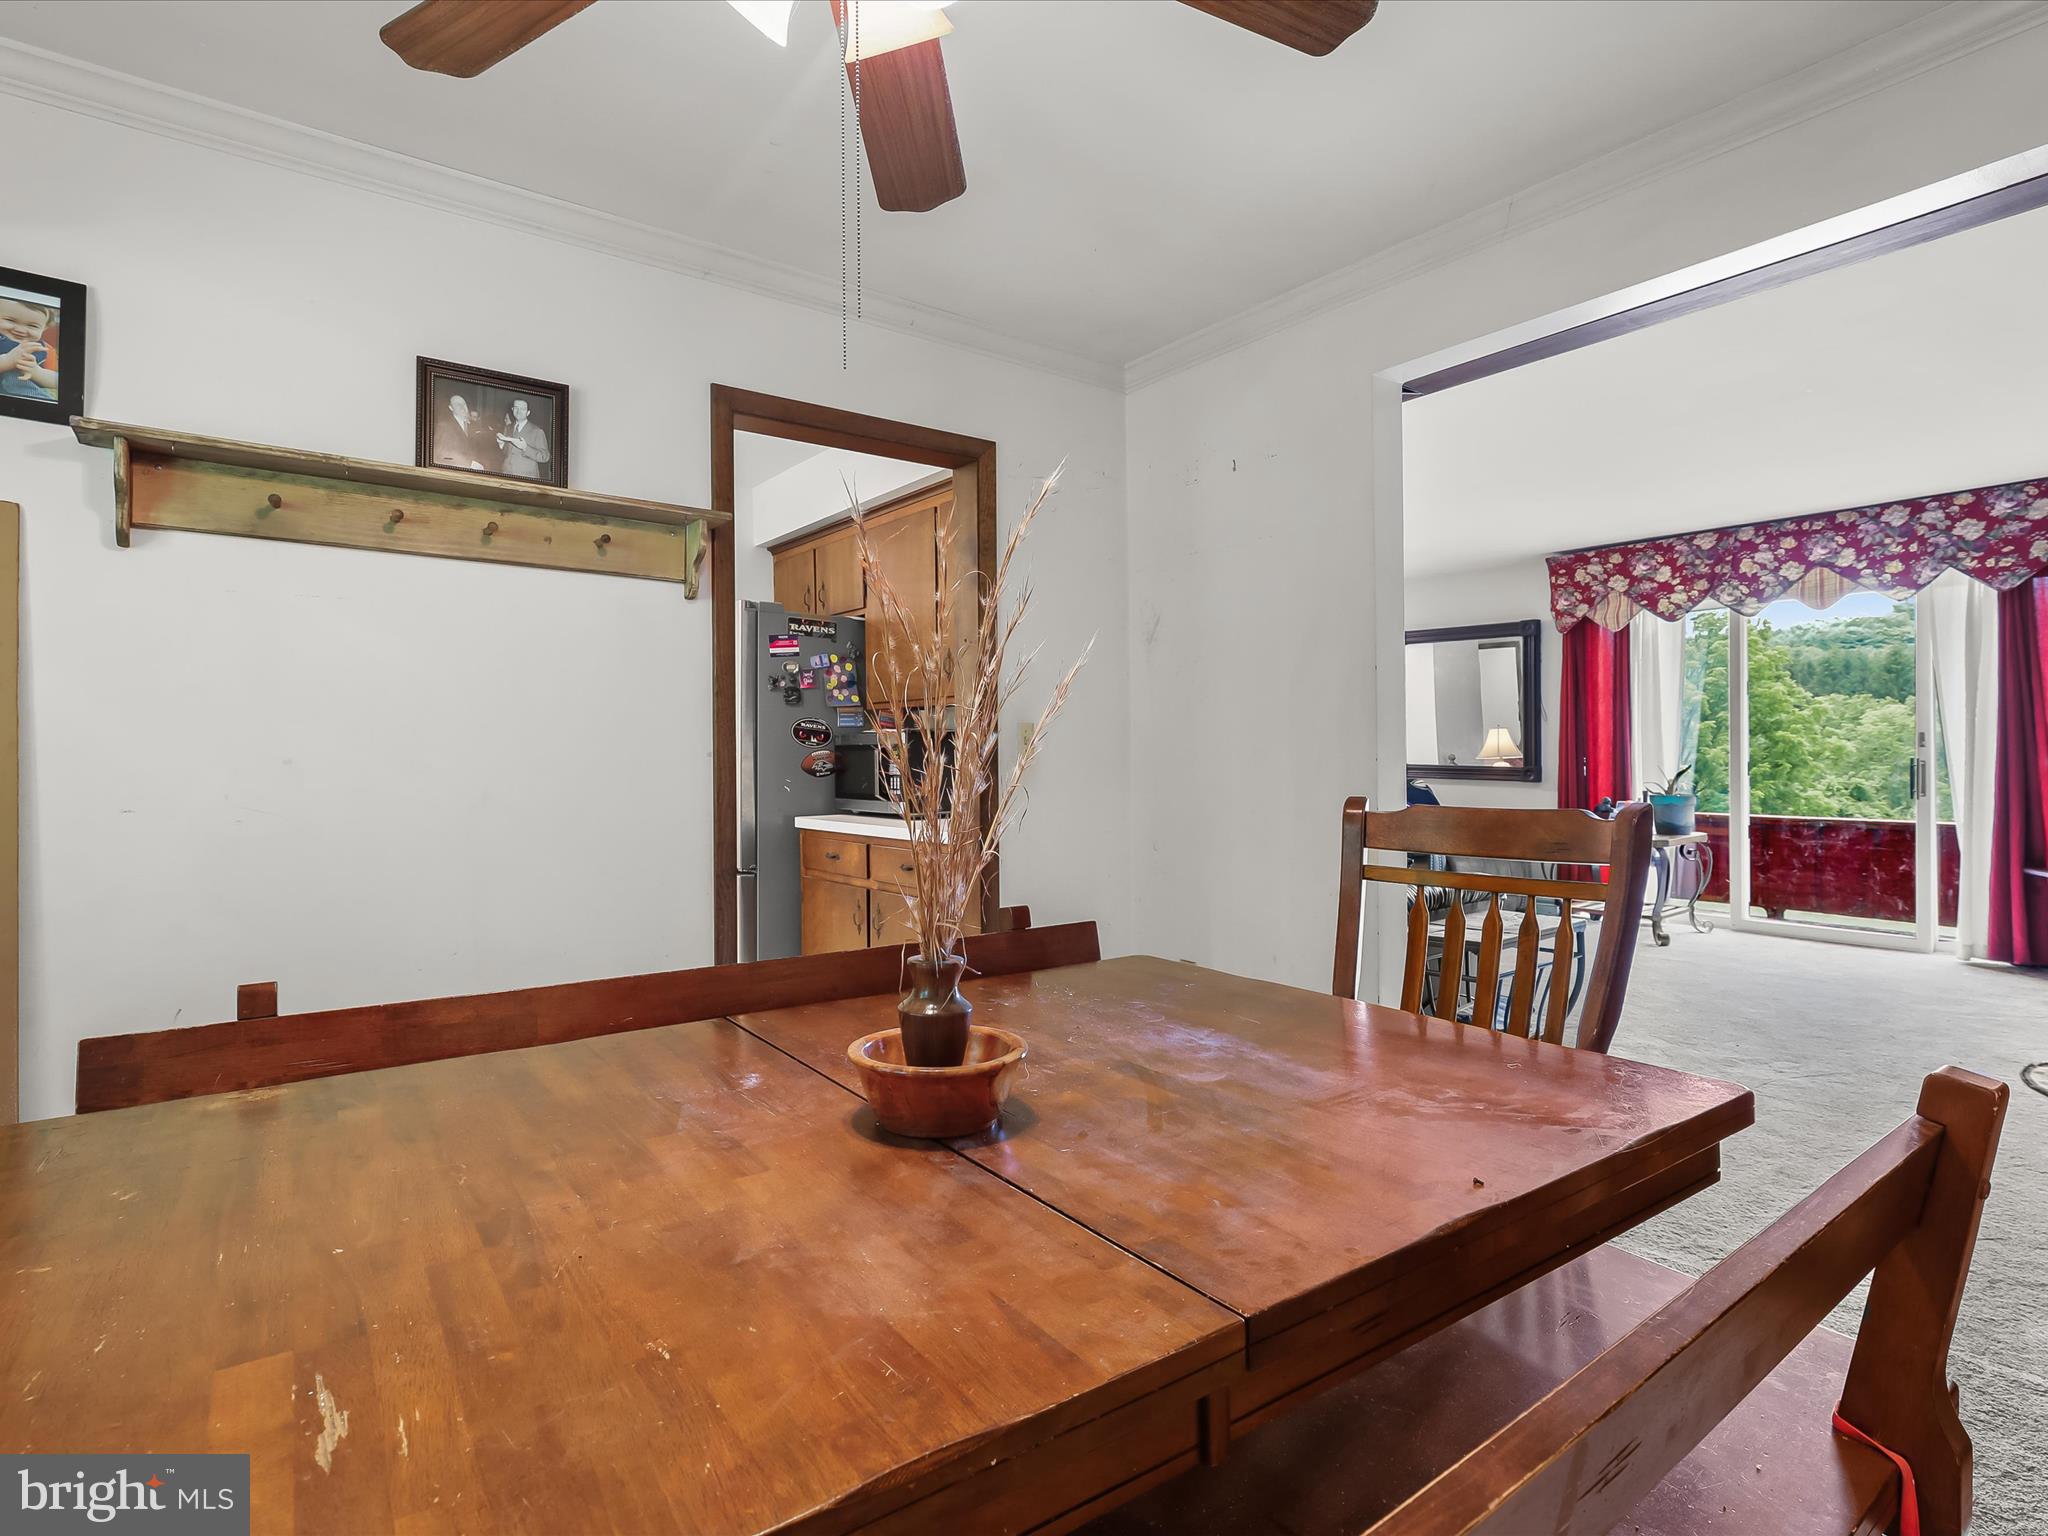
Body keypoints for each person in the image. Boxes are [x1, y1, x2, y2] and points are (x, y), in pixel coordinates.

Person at [0, 294, 59, 402]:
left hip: (28, 402)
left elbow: (55, 381)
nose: (21, 330)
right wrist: (6, 360)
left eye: (32, 326)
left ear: (44, 328)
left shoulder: (44, 349)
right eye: (11, 320)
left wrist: (36, 372)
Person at [431, 392, 494, 472]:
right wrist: (468, 464)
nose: (462, 407)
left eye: (464, 404)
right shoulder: (444, 426)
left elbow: (480, 451)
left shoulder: (473, 427)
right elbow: (439, 456)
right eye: (457, 404)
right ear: (451, 408)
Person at [495, 398, 550, 480]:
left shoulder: (537, 431)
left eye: (523, 409)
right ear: (512, 409)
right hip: (506, 474)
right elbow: (508, 453)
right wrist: (501, 444)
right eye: (516, 408)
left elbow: (545, 457)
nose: (519, 411)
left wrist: (525, 448)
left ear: (528, 412)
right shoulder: (508, 428)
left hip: (526, 477)